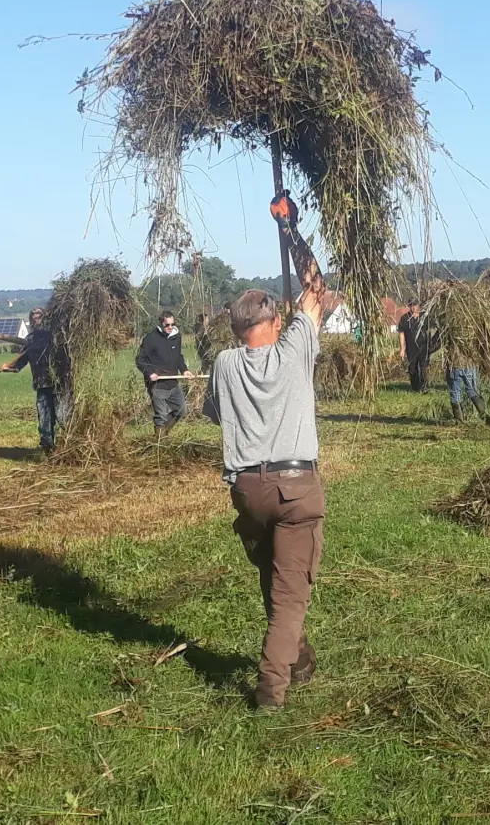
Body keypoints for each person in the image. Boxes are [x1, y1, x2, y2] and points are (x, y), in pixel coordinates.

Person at [203, 285, 325, 710]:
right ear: (275, 322)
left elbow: (217, 413)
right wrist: (290, 226)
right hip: (295, 490)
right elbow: (315, 293)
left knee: (275, 578)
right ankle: (271, 691)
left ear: (236, 327)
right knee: (291, 596)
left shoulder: (223, 363)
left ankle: (300, 658)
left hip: (247, 492)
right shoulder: (293, 351)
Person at [0, 308, 67, 452]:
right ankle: (48, 452)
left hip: (60, 385)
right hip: (41, 386)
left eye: (39, 316)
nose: (36, 319)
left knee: (63, 418)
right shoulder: (30, 340)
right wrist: (7, 368)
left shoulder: (56, 336)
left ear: (46, 318)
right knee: (44, 423)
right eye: (33, 317)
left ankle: (72, 447)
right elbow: (20, 363)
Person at [136, 310, 194, 439]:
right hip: (157, 384)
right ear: (161, 323)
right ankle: (160, 443)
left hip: (172, 381)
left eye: (172, 324)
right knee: (160, 416)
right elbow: (140, 360)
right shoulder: (151, 338)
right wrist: (150, 373)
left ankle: (162, 434)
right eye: (167, 325)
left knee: (181, 410)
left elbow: (178, 356)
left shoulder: (176, 336)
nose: (170, 327)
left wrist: (184, 370)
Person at [396, 300, 434, 392]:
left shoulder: (424, 317)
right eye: (412, 305)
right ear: (409, 306)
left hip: (423, 347)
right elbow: (401, 333)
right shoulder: (405, 318)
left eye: (415, 305)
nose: (414, 307)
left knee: (423, 367)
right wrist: (402, 349)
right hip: (411, 347)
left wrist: (429, 345)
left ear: (419, 306)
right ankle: (415, 387)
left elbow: (429, 330)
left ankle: (424, 387)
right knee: (412, 368)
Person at [444, 361, 490, 425]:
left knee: (455, 393)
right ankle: (483, 414)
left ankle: (458, 419)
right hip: (469, 365)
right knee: (472, 391)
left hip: (455, 364)